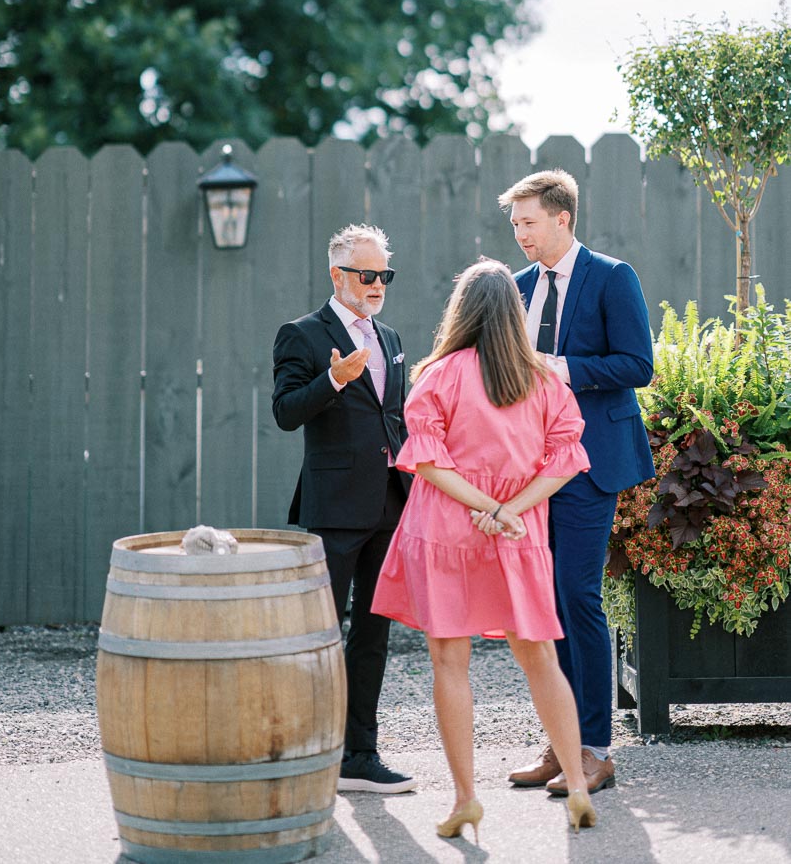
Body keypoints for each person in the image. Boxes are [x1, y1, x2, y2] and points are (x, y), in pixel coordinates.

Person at [371, 259, 596, 839]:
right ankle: (576, 784)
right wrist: (508, 510)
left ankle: (466, 798)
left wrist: (484, 507)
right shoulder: (544, 379)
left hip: (446, 530)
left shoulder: (439, 374)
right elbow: (566, 460)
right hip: (517, 534)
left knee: (450, 662)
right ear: (516, 315)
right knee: (540, 658)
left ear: (462, 312)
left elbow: (425, 459)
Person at [498, 169, 655, 796]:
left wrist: (559, 368)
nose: (520, 234)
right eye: (515, 224)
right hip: (531, 469)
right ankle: (562, 743)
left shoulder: (613, 277)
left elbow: (637, 364)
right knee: (544, 603)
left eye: (529, 222)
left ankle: (595, 750)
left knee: (577, 597)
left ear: (562, 218)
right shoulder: (516, 287)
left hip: (592, 464)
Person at [272, 223, 415, 794]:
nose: (378, 284)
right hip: (333, 509)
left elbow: (394, 418)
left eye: (385, 274)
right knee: (320, 633)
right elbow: (285, 412)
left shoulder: (391, 337)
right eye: (367, 274)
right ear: (338, 275)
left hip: (389, 504)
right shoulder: (302, 334)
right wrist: (333, 378)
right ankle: (309, 753)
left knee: (373, 635)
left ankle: (360, 754)